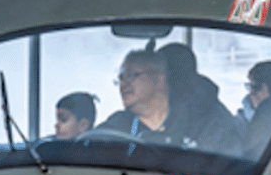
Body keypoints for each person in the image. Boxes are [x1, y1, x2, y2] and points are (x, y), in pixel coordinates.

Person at [95, 45, 239, 151]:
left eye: (132, 75)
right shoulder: (116, 125)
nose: (123, 84)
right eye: (120, 78)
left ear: (159, 80)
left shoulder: (207, 123)